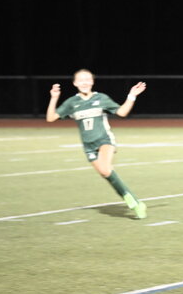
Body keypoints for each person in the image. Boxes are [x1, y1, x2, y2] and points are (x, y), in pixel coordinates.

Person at [46, 69, 147, 219]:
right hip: (88, 146)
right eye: (81, 80)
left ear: (92, 82)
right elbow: (50, 118)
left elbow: (122, 112)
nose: (85, 82)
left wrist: (132, 96)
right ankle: (135, 201)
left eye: (88, 79)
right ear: (75, 83)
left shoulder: (101, 98)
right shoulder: (72, 102)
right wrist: (54, 98)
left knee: (106, 170)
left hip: (104, 140)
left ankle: (134, 203)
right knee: (106, 173)